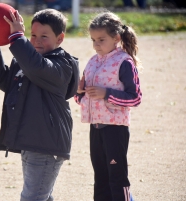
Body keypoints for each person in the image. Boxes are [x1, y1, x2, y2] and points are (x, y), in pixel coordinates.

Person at [0, 8, 79, 201]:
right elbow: (2, 79)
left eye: (44, 36)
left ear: (60, 38)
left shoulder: (61, 65)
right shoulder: (27, 61)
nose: (37, 40)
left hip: (46, 144)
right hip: (31, 141)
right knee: (40, 196)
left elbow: (36, 68)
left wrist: (17, 37)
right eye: (32, 35)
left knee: (33, 197)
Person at [74, 11, 142, 201]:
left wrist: (107, 94)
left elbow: (135, 98)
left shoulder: (124, 62)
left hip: (115, 130)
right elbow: (83, 99)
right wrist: (79, 92)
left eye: (101, 39)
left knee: (117, 178)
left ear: (116, 37)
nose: (96, 45)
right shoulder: (92, 62)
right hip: (95, 129)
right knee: (100, 178)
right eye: (93, 40)